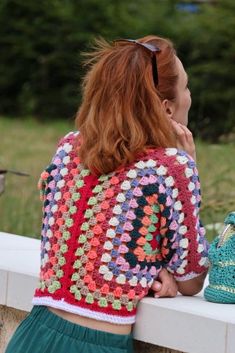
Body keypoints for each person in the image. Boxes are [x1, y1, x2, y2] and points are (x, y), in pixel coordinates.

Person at [5, 35, 209, 353]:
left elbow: (82, 247)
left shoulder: (68, 149)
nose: (190, 96)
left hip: (33, 335)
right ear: (167, 108)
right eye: (186, 87)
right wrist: (188, 171)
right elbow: (192, 279)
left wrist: (148, 266)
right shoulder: (173, 167)